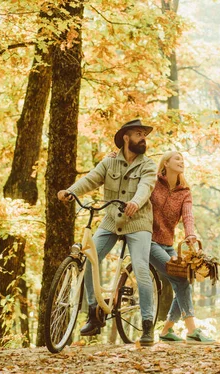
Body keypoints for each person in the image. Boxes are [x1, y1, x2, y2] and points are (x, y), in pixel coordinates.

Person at [57, 119, 158, 346]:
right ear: (126, 137)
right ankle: (94, 313)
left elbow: (146, 187)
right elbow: (91, 179)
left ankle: (148, 323)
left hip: (138, 222)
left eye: (145, 134)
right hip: (112, 219)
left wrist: (135, 201)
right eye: (139, 134)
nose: (143, 138)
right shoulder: (109, 162)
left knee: (141, 268)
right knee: (88, 258)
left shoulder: (148, 165)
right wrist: (70, 191)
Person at [148, 151, 215, 345]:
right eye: (177, 159)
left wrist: (190, 235)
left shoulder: (184, 191)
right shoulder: (152, 183)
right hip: (149, 242)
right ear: (166, 163)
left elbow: (188, 215)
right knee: (180, 279)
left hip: (168, 244)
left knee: (184, 280)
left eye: (183, 160)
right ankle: (192, 330)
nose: (181, 162)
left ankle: (167, 330)